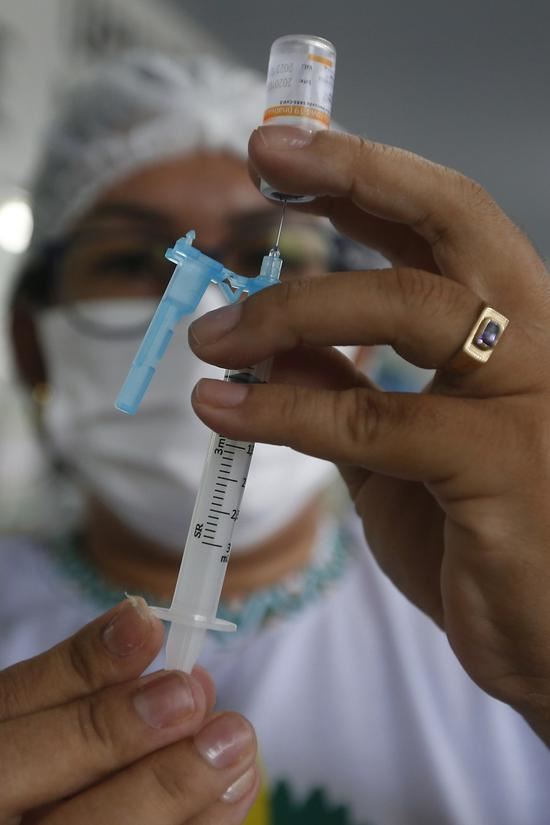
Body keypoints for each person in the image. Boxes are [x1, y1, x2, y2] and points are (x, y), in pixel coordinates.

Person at [1, 49, 549, 825]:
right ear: (31, 340)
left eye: (278, 259)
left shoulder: (501, 625)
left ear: (363, 335)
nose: (204, 313)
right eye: (132, 260)